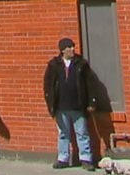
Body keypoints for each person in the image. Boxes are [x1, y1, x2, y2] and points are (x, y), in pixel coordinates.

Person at [43, 37, 97, 171]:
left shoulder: (81, 64)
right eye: (69, 47)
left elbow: (90, 84)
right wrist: (50, 103)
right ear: (62, 50)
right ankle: (63, 159)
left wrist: (91, 102)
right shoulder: (54, 65)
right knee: (63, 133)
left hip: (78, 105)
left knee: (82, 133)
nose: (72, 49)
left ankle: (86, 159)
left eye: (73, 47)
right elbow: (48, 85)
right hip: (61, 106)